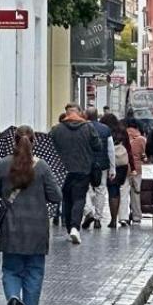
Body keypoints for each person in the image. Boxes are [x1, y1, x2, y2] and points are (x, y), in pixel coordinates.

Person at [0, 126, 61, 305]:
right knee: (34, 273)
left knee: (11, 271)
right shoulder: (42, 167)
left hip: (11, 228)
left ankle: (13, 297)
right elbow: (56, 196)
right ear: (34, 141)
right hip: (37, 230)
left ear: (13, 142)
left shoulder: (3, 164)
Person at [49, 104, 103, 245]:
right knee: (79, 199)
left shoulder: (57, 129)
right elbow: (98, 146)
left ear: (66, 114)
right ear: (79, 113)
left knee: (66, 199)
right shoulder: (88, 127)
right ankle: (74, 227)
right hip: (83, 169)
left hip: (62, 170)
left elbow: (49, 147)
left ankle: (69, 229)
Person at [83, 109, 113, 230]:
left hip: (86, 164)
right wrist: (112, 168)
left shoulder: (82, 128)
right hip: (102, 165)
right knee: (101, 190)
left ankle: (89, 211)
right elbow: (110, 150)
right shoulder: (105, 129)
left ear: (86, 115)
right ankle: (98, 219)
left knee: (84, 189)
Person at [100, 112, 130, 227]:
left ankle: (100, 217)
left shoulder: (103, 131)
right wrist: (131, 166)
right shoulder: (122, 131)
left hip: (107, 162)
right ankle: (113, 219)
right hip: (121, 164)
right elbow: (128, 149)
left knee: (104, 190)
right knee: (115, 190)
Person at [124, 120, 148, 224]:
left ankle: (123, 216)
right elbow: (145, 156)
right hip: (136, 169)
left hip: (124, 168)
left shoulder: (123, 136)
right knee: (136, 193)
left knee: (124, 193)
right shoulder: (141, 139)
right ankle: (136, 215)